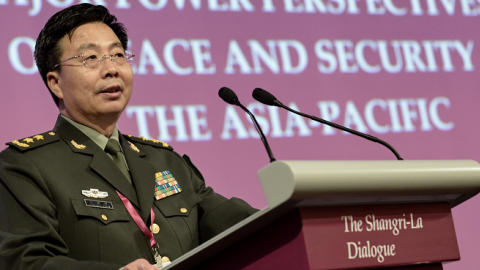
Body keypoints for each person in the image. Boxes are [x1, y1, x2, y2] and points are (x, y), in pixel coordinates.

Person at [0, 4, 257, 270]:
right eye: (91, 58)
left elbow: (237, 223)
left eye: (118, 55)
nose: (112, 69)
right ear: (55, 83)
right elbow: (26, 262)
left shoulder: (164, 160)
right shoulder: (25, 167)